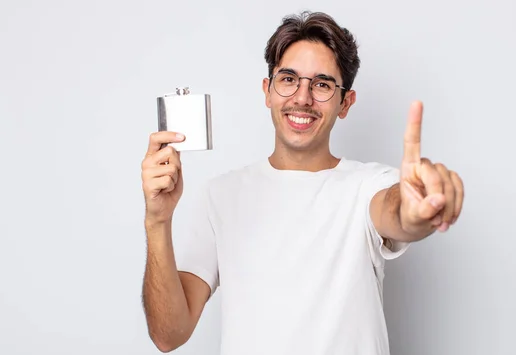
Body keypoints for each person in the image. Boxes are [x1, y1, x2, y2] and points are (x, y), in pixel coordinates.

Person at [141, 10, 464, 355]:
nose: (302, 98)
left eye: (322, 85)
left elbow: (395, 211)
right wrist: (157, 220)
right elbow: (168, 335)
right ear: (268, 91)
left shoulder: (368, 185)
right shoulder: (221, 195)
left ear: (345, 103)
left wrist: (415, 210)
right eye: (289, 79)